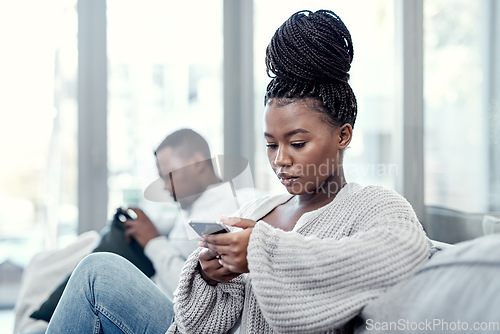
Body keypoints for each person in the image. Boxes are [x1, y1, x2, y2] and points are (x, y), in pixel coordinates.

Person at [45, 10, 430, 334]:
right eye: (270, 144)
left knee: (99, 273)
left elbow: (403, 254)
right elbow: (203, 323)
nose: (280, 159)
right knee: (100, 270)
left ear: (343, 135)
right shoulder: (261, 206)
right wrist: (213, 278)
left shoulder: (373, 205)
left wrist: (260, 252)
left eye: (297, 143)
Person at [21, 128, 252, 330]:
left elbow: (195, 287)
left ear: (199, 163)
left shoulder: (223, 212)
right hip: (160, 300)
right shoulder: (194, 207)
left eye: (169, 175)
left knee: (96, 271)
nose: (164, 186)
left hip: (181, 318)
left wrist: (152, 242)